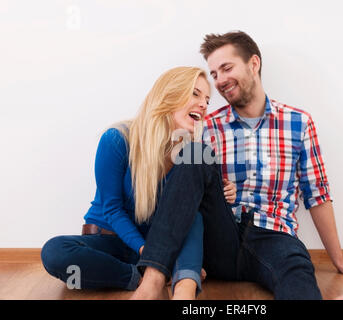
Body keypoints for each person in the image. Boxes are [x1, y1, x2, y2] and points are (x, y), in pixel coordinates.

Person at [197, 30, 343, 299]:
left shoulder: (299, 123)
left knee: (297, 270)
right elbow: (188, 192)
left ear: (254, 64)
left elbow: (317, 193)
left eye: (226, 68)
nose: (220, 80)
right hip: (219, 239)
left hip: (273, 234)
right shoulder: (206, 127)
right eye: (214, 74)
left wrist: (340, 260)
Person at [40, 66, 236, 300]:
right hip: (114, 243)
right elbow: (112, 209)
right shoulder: (117, 139)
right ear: (169, 95)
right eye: (195, 94)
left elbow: (189, 215)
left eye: (206, 99)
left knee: (194, 213)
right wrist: (150, 255)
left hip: (160, 247)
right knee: (55, 253)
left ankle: (179, 284)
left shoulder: (190, 157)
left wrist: (220, 192)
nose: (204, 105)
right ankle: (142, 278)